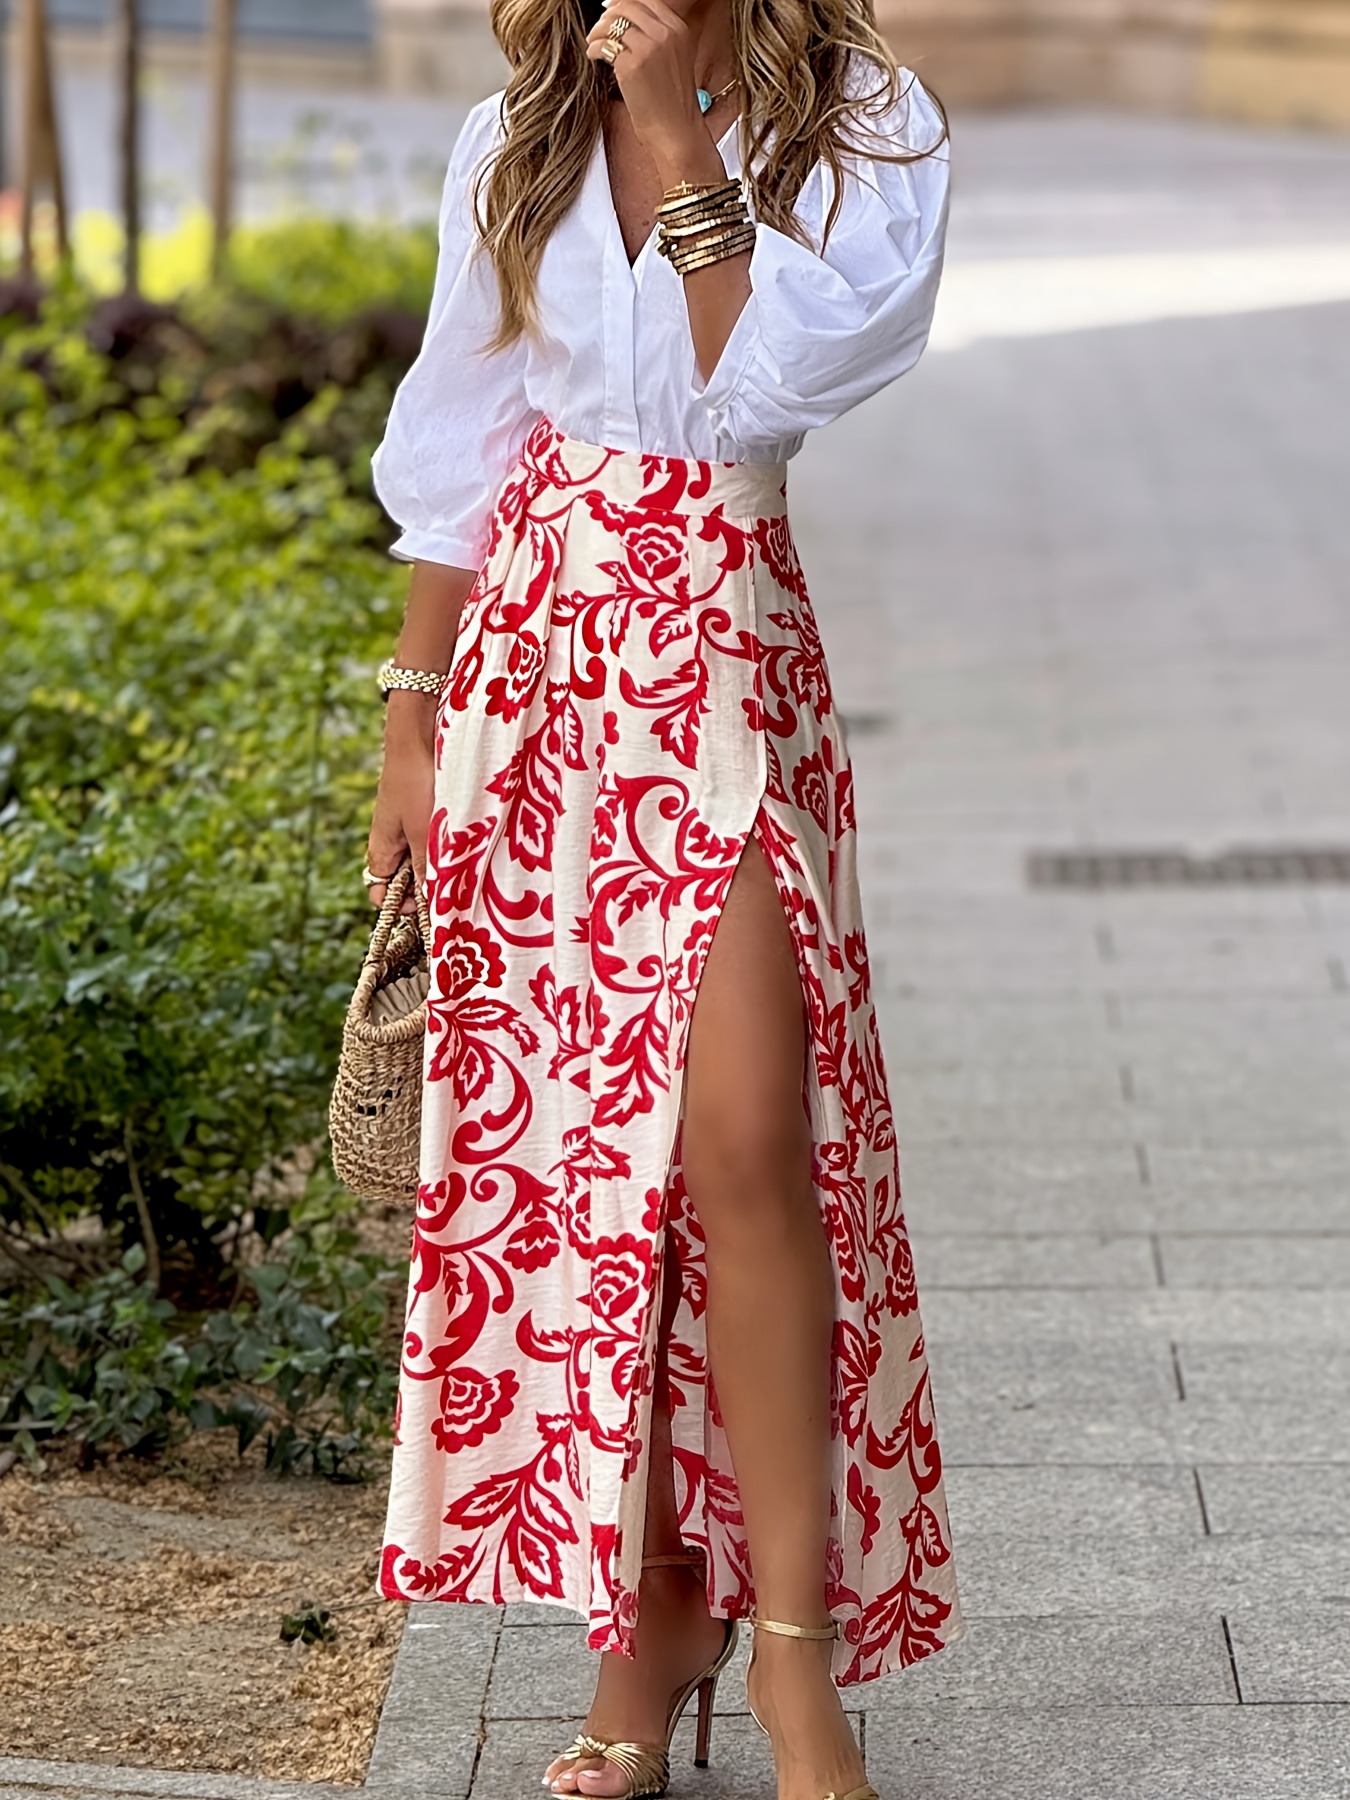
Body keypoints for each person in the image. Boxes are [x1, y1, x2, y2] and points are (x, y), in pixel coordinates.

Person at [364, 1, 961, 1795]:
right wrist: (408, 719)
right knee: (581, 1170)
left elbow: (762, 389)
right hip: (533, 671)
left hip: (719, 651)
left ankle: (791, 1664)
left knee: (749, 1141)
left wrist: (687, 145)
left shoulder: (863, 118)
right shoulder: (519, 130)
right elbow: (463, 434)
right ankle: (642, 1633)